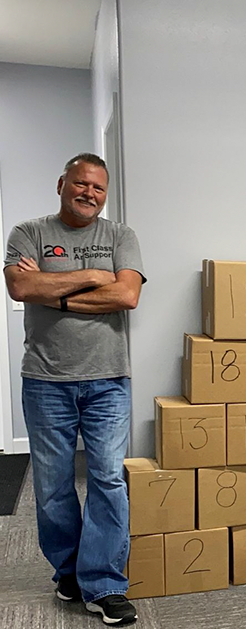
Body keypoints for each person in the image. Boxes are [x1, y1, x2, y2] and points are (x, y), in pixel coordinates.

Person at [4, 154, 145, 625]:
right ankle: (68, 571)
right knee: (52, 486)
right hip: (46, 380)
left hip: (108, 380)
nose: (89, 194)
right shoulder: (28, 232)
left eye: (98, 188)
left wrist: (52, 289)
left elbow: (126, 295)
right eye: (81, 184)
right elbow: (20, 288)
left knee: (107, 479)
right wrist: (89, 278)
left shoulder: (120, 235)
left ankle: (104, 583)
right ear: (62, 183)